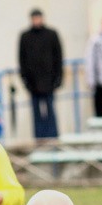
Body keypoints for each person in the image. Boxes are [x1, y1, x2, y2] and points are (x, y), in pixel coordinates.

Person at [18, 9, 63, 139]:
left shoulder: (52, 34)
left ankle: (53, 137)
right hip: (33, 82)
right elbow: (22, 59)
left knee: (50, 110)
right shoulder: (25, 36)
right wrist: (25, 80)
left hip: (49, 81)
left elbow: (58, 57)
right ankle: (39, 138)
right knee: (36, 112)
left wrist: (58, 78)